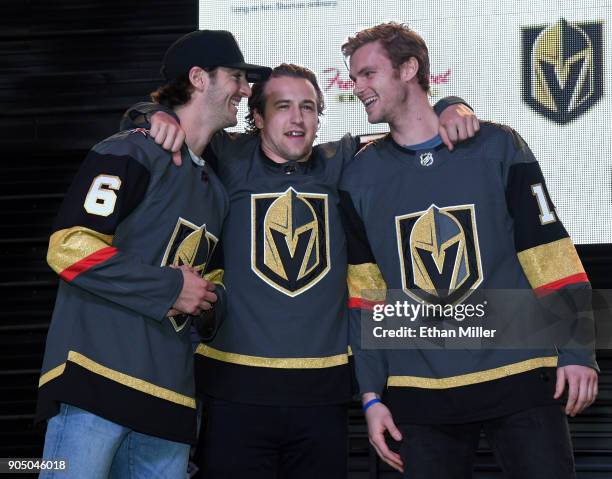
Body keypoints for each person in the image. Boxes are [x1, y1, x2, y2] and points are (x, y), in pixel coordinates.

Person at [122, 64, 478, 478]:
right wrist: (151, 113)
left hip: (322, 396)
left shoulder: (343, 161)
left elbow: (410, 131)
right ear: (256, 118)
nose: (297, 118)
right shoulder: (228, 156)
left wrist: (452, 105)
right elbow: (168, 116)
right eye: (283, 106)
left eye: (308, 107)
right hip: (232, 392)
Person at [338, 22, 599, 478]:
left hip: (520, 372)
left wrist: (577, 350)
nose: (356, 86)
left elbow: (550, 254)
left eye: (367, 73)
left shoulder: (498, 146)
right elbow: (367, 298)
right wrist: (372, 396)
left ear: (408, 69)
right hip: (417, 390)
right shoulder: (359, 177)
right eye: (354, 76)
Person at [36, 30, 270, 478]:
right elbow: (69, 247)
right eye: (236, 77)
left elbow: (210, 281)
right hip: (94, 383)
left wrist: (208, 303)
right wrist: (170, 288)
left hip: (172, 403)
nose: (244, 90)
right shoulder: (128, 150)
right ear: (199, 78)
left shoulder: (217, 191)